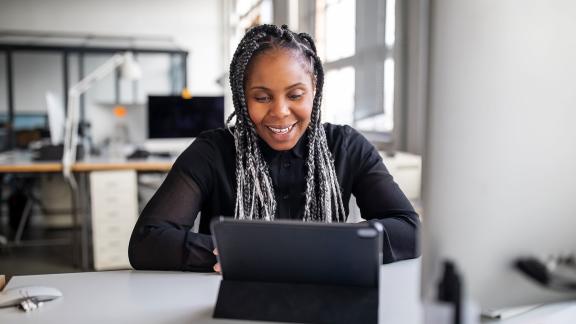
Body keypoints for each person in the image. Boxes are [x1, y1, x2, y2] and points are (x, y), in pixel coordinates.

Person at [128, 24, 420, 272]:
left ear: (314, 88)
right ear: (243, 96)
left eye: (295, 94)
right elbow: (146, 242)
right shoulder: (211, 152)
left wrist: (330, 247)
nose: (280, 111)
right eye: (262, 97)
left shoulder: (346, 147)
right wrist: (237, 252)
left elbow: (410, 230)